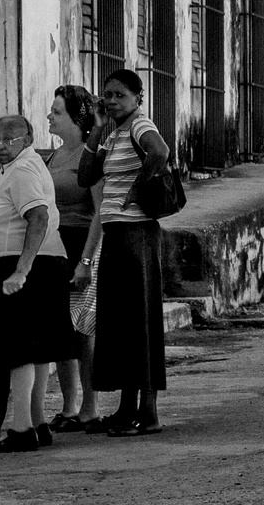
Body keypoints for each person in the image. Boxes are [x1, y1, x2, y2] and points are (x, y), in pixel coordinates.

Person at [0, 114, 75, 453]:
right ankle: (36, 421)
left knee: (18, 350)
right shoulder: (15, 167)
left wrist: (21, 271)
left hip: (21, 266)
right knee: (34, 348)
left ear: (26, 138)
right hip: (29, 264)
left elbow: (38, 216)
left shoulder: (23, 169)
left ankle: (21, 428)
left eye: (6, 140)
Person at [76, 68, 171, 436]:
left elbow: (159, 152)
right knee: (122, 322)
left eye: (119, 95)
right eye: (107, 95)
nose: (112, 101)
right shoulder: (114, 132)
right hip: (118, 235)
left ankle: (146, 413)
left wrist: (135, 190)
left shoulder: (139, 126)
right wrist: (98, 127)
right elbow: (86, 176)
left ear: (138, 98)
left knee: (136, 322)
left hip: (136, 235)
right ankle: (130, 410)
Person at [42, 85, 101, 431]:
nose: (50, 115)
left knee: (83, 329)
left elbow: (100, 213)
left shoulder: (90, 157)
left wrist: (87, 262)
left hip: (82, 244)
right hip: (56, 245)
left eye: (58, 111)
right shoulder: (54, 156)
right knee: (61, 328)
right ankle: (69, 406)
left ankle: (90, 407)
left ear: (77, 118)